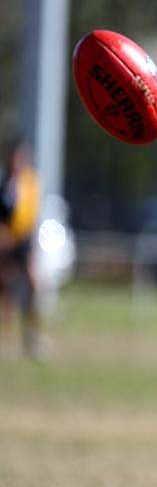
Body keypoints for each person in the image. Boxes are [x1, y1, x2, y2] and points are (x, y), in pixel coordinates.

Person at [0, 137, 43, 360]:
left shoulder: (31, 183)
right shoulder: (4, 181)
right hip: (4, 242)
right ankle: (5, 338)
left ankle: (32, 336)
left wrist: (32, 246)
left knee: (33, 286)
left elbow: (32, 217)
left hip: (23, 242)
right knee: (6, 290)